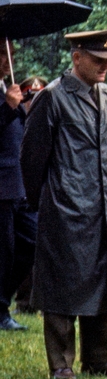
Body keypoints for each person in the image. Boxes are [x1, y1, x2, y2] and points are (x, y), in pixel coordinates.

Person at [20, 29, 107, 379]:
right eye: (98, 61)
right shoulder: (53, 97)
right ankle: (61, 365)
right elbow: (32, 158)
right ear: (77, 57)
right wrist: (48, 201)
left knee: (102, 277)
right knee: (62, 281)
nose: (105, 67)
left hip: (106, 207)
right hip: (66, 207)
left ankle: (98, 359)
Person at [0, 47, 41, 331]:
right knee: (5, 251)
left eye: (11, 52)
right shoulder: (6, 96)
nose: (8, 59)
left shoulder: (7, 87)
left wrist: (22, 109)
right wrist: (7, 108)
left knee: (34, 240)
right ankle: (1, 311)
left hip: (19, 183)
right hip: (1, 186)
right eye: (2, 52)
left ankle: (2, 300)